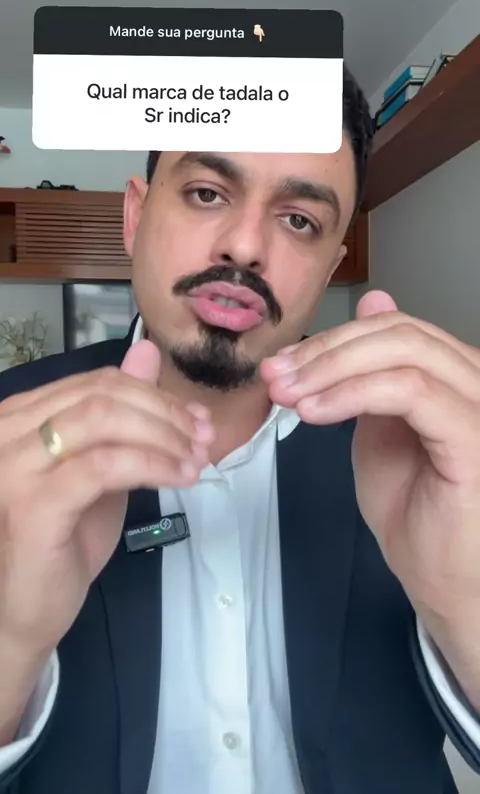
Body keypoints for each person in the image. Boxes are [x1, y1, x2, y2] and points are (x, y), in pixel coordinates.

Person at [0, 65, 479, 794]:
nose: (246, 245)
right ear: (135, 217)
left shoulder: (428, 450)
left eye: (299, 220)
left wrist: (465, 600)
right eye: (206, 193)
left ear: (330, 268)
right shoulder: (13, 432)